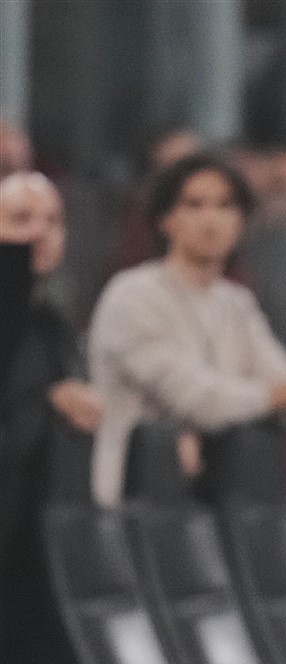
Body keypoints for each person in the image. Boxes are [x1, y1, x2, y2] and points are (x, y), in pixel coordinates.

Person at [88, 153, 286, 507]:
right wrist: (279, 395)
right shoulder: (131, 294)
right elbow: (197, 398)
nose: (211, 219)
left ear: (242, 221)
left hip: (221, 500)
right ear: (165, 218)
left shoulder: (236, 303)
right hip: (134, 502)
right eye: (194, 204)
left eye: (225, 206)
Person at [0, 172, 97, 663]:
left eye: (52, 221)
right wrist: (46, 399)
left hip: (41, 544)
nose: (38, 232)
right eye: (20, 219)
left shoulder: (53, 322)